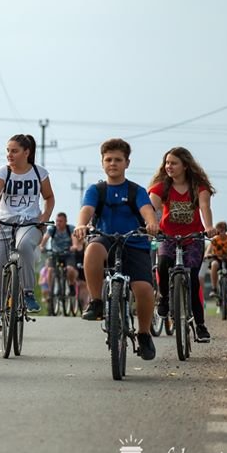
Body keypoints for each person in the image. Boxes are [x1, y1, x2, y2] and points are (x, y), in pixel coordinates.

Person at [75, 138, 159, 360]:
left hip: (134, 243)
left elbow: (147, 210)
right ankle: (97, 302)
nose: (113, 163)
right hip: (106, 240)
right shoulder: (96, 190)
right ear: (102, 163)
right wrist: (82, 224)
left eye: (118, 160)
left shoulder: (136, 190)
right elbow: (86, 210)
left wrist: (151, 223)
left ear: (127, 163)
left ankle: (143, 333)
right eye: (108, 159)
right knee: (92, 250)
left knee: (143, 290)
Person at [0, 134, 55, 332]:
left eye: (14, 151)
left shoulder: (39, 173)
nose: (9, 155)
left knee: (24, 246)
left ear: (26, 152)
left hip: (30, 224)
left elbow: (49, 197)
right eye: (8, 150)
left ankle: (29, 293)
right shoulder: (2, 172)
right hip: (3, 224)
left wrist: (44, 216)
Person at [148, 147, 216, 341]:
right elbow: (150, 206)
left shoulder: (198, 186)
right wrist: (150, 223)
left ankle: (200, 326)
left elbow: (204, 207)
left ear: (185, 165)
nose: (169, 166)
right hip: (167, 236)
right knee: (162, 264)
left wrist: (209, 226)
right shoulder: (163, 186)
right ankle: (164, 299)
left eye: (174, 163)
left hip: (193, 238)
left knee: (193, 279)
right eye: (167, 163)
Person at [39, 212, 79, 300]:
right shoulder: (52, 229)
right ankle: (51, 291)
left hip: (68, 254)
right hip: (55, 254)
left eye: (60, 221)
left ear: (65, 221)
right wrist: (42, 246)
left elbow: (74, 238)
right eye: (57, 221)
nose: (58, 223)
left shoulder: (70, 229)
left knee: (70, 270)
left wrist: (75, 245)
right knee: (50, 270)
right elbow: (45, 238)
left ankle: (71, 284)